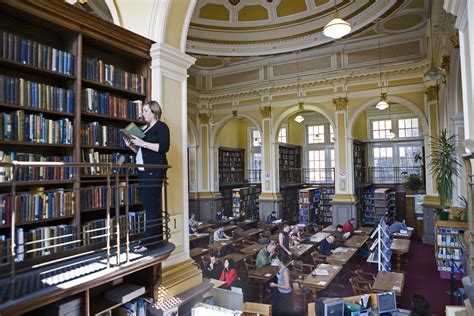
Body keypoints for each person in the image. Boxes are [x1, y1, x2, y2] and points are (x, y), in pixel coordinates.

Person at [124, 100, 170, 253]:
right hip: (143, 170)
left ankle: (148, 242)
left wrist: (142, 142)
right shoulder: (145, 128)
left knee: (151, 206)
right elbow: (142, 152)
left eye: (145, 111)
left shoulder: (161, 127)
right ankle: (156, 239)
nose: (143, 114)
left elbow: (164, 147)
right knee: (150, 205)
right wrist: (131, 145)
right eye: (143, 111)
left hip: (154, 170)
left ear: (154, 112)